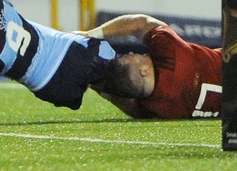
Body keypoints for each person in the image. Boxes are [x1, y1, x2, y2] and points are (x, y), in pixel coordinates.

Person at [76, 13, 221, 119]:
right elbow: (141, 22)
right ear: (144, 71)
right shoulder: (171, 54)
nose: (132, 51)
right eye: (130, 56)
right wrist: (89, 34)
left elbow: (132, 108)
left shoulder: (157, 109)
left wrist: (95, 84)